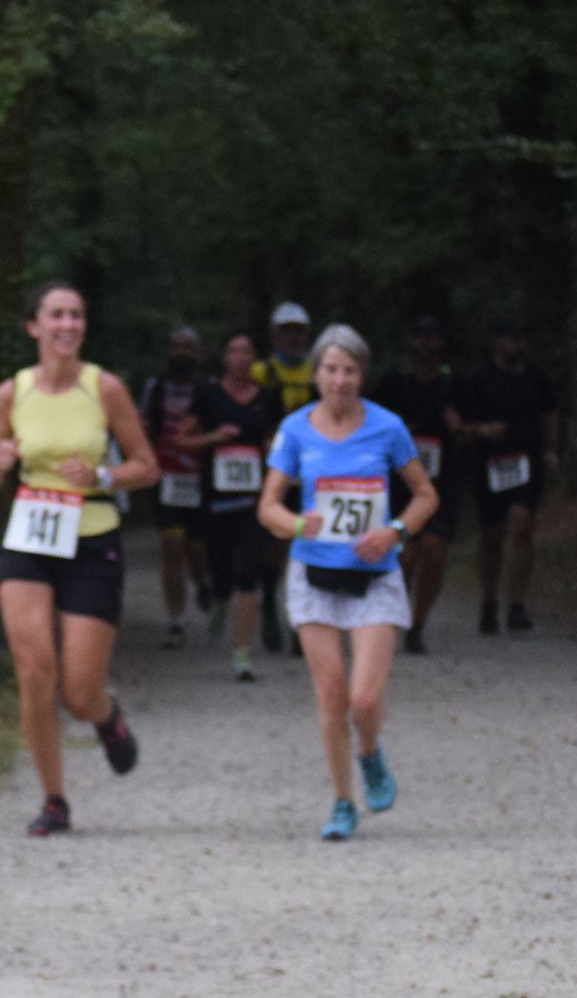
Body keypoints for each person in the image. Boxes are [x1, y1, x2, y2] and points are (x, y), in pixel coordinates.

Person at [0, 281, 162, 836]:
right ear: (34, 326)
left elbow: (147, 466)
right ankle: (54, 799)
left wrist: (102, 475)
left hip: (91, 538)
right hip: (29, 538)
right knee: (34, 672)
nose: (68, 325)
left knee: (78, 690)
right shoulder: (13, 393)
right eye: (56, 315)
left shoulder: (105, 388)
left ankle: (105, 714)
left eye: (76, 315)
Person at [256, 324, 437, 841]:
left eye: (350, 371)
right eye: (331, 369)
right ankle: (342, 802)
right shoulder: (294, 430)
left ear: (363, 375)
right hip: (313, 575)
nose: (340, 380)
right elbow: (267, 506)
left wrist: (395, 530)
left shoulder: (387, 427)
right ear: (316, 374)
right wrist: (297, 524)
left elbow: (426, 496)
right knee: (331, 694)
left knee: (364, 700)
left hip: (374, 576)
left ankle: (370, 754)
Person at [181, 330, 280, 682]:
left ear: (255, 358)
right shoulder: (207, 395)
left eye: (246, 350)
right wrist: (213, 437)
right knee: (221, 571)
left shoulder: (267, 398)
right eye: (233, 350)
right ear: (224, 358)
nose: (240, 357)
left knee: (248, 574)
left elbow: (276, 441)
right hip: (217, 498)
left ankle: (242, 655)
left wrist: (271, 453)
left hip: (253, 500)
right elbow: (182, 439)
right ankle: (221, 600)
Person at [455, 316, 560, 634]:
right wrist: (483, 430)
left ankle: (517, 604)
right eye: (512, 338)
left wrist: (551, 448)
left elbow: (551, 412)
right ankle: (489, 602)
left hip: (527, 463)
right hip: (490, 463)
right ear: (497, 343)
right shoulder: (479, 380)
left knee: (522, 527)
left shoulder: (537, 378)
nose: (518, 345)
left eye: (522, 339)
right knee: (492, 536)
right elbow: (461, 425)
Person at [368, 314, 463, 651]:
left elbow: (474, 429)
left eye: (432, 336)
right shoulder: (394, 383)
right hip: (400, 483)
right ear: (411, 341)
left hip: (441, 480)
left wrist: (462, 428)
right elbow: (370, 424)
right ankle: (399, 611)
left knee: (435, 550)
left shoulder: (454, 385)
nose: (427, 344)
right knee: (405, 555)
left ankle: (418, 624)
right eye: (421, 336)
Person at [250, 302, 317, 654]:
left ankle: (301, 622)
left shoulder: (318, 371)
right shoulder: (262, 373)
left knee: (307, 539)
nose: (293, 337)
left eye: (298, 330)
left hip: (312, 467)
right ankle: (269, 604)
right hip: (275, 465)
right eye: (286, 330)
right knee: (276, 541)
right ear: (275, 334)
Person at [138, 327, 211, 647]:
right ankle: (176, 620)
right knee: (172, 546)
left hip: (201, 479)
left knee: (197, 548)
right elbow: (141, 426)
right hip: (166, 478)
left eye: (188, 347)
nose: (182, 353)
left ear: (198, 353)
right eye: (176, 346)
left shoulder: (208, 389)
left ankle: (203, 579)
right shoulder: (154, 388)